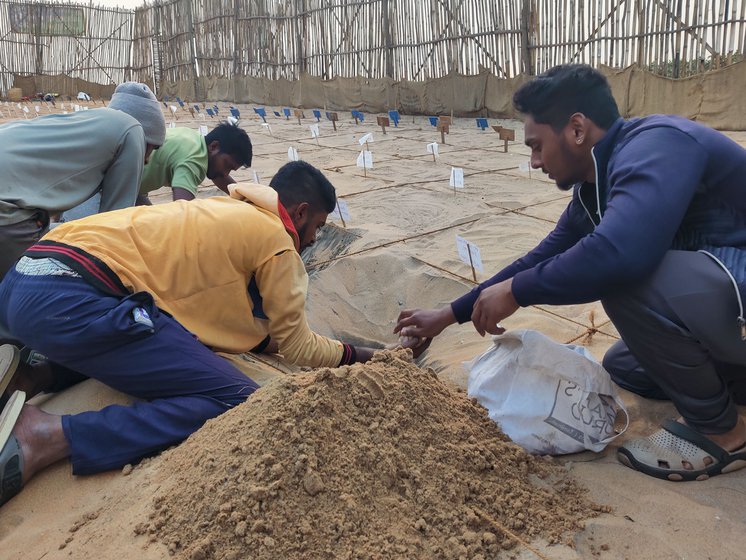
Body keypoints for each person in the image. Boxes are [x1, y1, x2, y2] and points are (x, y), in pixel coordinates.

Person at [395, 64, 746, 482]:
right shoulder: (593, 188)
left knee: (624, 280)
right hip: (722, 297)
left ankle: (722, 432)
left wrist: (518, 292)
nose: (534, 160)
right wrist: (448, 314)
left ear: (576, 129)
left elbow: (620, 254)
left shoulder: (657, 143)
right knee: (626, 365)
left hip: (735, 279)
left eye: (537, 145)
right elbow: (538, 259)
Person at [0, 161, 413, 507]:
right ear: (300, 213)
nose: (314, 239)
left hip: (26, 279)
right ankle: (46, 435)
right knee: (232, 396)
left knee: (152, 329)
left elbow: (214, 312)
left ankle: (37, 374)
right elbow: (298, 345)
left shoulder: (225, 210)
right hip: (71, 299)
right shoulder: (277, 241)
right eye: (318, 227)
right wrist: (361, 355)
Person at [0, 82, 166, 280]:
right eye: (153, 149)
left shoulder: (81, 124)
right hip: (8, 218)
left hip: (10, 206)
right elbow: (113, 225)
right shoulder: (132, 130)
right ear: (147, 136)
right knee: (38, 293)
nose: (147, 160)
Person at [136, 122, 252, 204]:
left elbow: (219, 176)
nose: (226, 173)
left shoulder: (195, 140)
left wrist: (248, 200)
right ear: (214, 146)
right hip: (122, 185)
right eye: (227, 165)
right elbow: (183, 211)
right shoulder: (195, 160)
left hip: (134, 187)